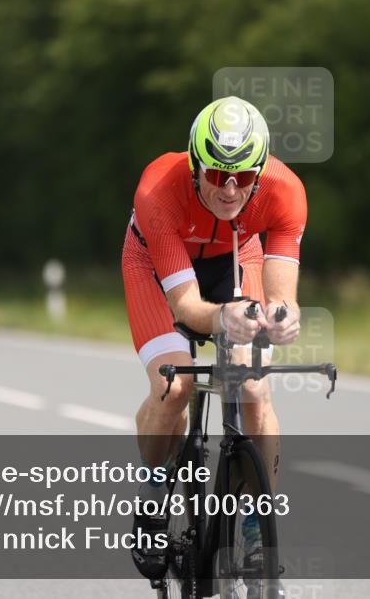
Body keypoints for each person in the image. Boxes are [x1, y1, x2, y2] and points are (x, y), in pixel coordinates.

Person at [123, 96, 306, 581]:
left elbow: (281, 292)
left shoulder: (286, 192)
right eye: (217, 174)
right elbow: (188, 309)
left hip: (233, 251)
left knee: (252, 386)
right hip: (156, 260)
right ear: (195, 163)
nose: (229, 189)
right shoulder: (158, 190)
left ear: (261, 171)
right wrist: (225, 317)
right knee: (173, 386)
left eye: (244, 177)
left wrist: (283, 317)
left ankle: (253, 524)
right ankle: (154, 497)